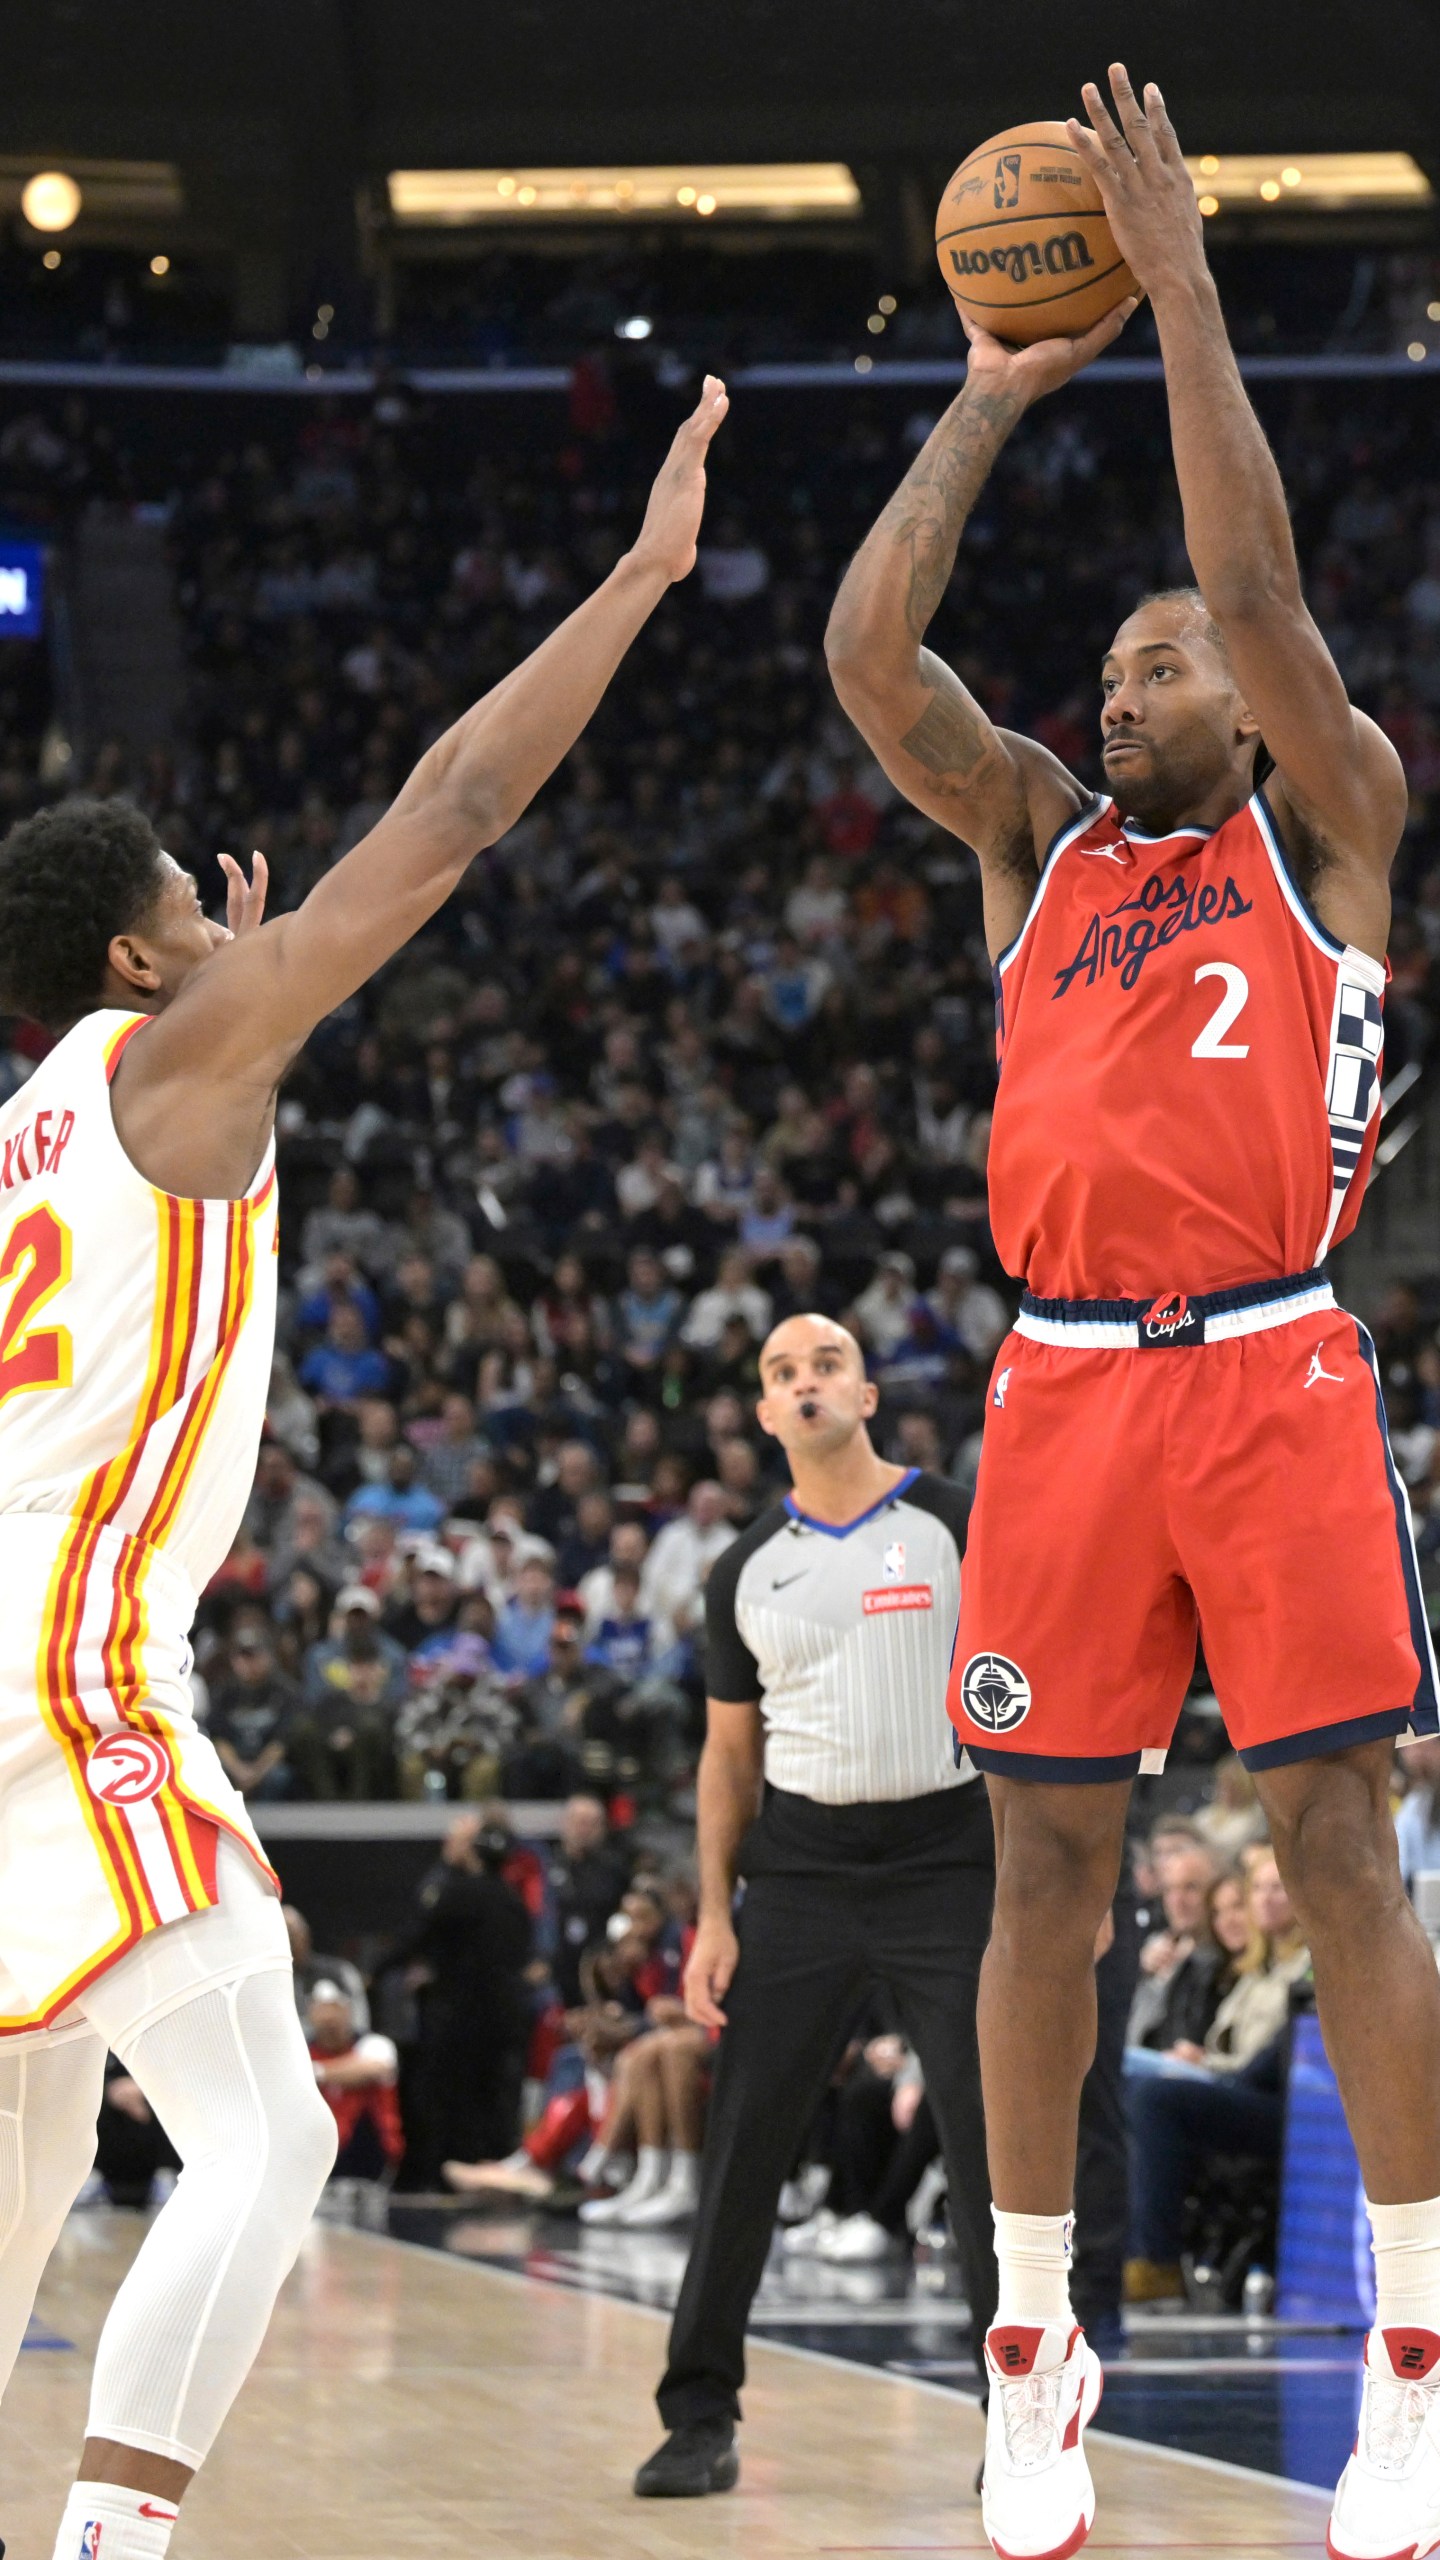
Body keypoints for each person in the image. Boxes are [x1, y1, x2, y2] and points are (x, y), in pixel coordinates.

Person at [0, 373, 728, 2559]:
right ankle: (122, 2541)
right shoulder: (172, 1054)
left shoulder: (36, 1114)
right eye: (195, 915)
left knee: (28, 2164)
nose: (242, 928)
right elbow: (456, 802)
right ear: (140, 958)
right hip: (73, 1668)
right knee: (269, 2137)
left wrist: (235, 993)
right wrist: (637, 577)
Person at [827, 65, 1440, 2560]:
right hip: (1063, 1387)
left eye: (1150, 657)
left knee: (1335, 1847)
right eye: (1105, 660)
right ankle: (1024, 2330)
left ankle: (1411, 2362)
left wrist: (1177, 283)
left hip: (1277, 1359)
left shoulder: (1333, 817)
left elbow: (1268, 601)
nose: (1121, 682)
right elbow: (876, 657)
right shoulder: (1035, 848)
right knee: (1041, 1877)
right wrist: (982, 394)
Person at [633, 1312, 997, 2500]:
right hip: (800, 1870)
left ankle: (1023, 2407)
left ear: (868, 1390)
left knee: (995, 2143)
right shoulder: (743, 1569)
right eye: (783, 1371)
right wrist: (716, 1915)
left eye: (825, 1362)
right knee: (743, 2144)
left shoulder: (955, 1522)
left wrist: (1057, 1878)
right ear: (763, 1411)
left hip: (952, 1859)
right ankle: (698, 2413)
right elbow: (726, 1759)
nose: (805, 1382)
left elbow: (1025, 1694)